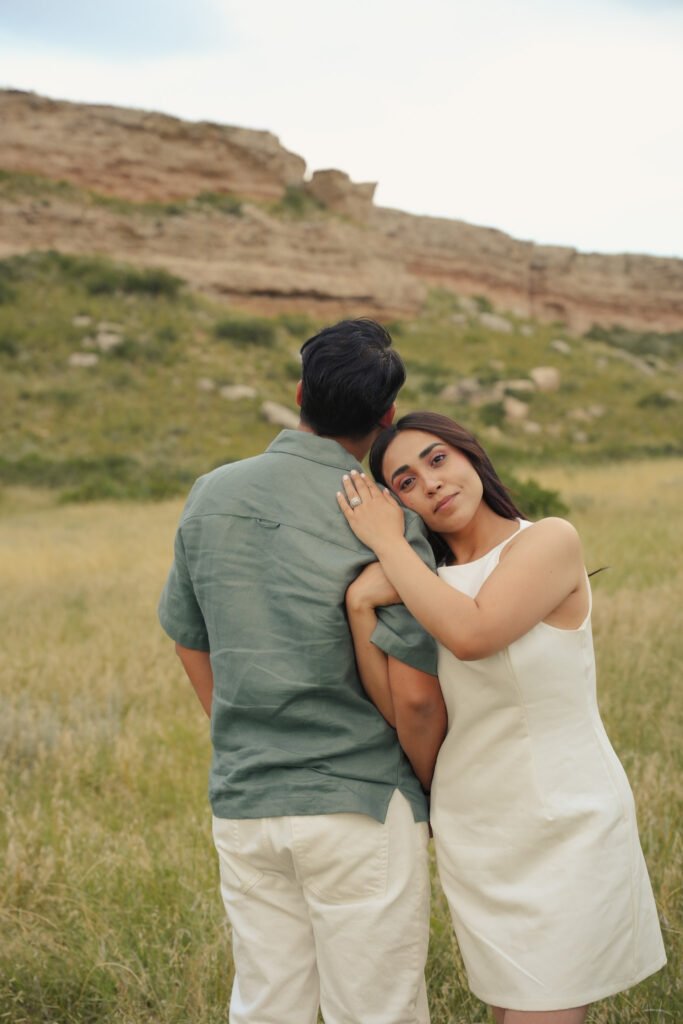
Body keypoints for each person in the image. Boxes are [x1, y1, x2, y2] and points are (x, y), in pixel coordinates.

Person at [158, 321, 447, 1024]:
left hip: (248, 801)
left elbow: (188, 639)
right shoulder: (387, 521)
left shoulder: (210, 493)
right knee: (376, 1012)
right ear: (385, 418)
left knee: (267, 1005)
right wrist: (432, 790)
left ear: (298, 394)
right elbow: (413, 698)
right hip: (360, 802)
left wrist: (247, 736)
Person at [336, 410, 667, 1024]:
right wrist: (360, 607)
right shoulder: (426, 581)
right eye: (406, 482)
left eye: (437, 459)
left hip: (565, 823)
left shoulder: (547, 541)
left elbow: (474, 634)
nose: (431, 483)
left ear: (471, 455)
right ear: (400, 503)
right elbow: (404, 709)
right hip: (475, 832)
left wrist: (388, 545)